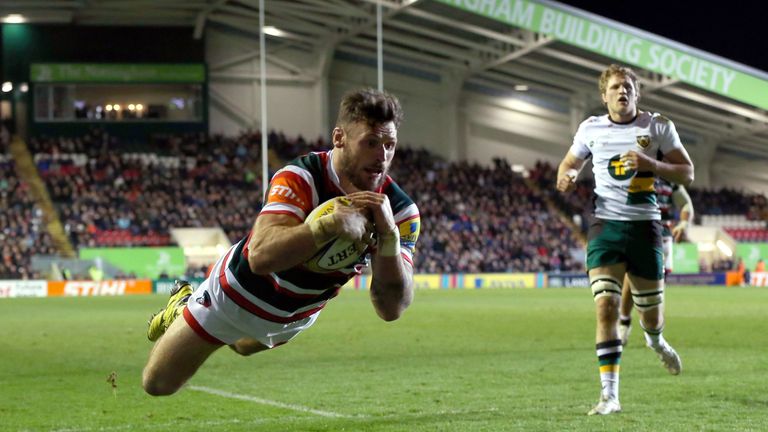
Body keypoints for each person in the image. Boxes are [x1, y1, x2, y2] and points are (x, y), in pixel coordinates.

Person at [142, 88, 421, 396]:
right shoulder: (301, 177)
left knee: (244, 347)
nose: (382, 156)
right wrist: (329, 225)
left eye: (390, 145)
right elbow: (260, 257)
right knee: (158, 384)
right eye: (370, 142)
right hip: (237, 295)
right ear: (339, 138)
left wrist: (389, 238)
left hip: (297, 314)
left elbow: (391, 309)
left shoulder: (400, 210)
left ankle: (221, 325)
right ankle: (184, 306)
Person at [556, 64, 694, 415]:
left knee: (650, 317)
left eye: (628, 87)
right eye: (616, 87)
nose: (622, 92)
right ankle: (609, 396)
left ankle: (656, 341)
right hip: (605, 227)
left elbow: (687, 172)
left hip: (646, 229)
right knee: (606, 307)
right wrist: (568, 175)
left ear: (637, 93)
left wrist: (652, 163)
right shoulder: (591, 128)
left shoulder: (658, 126)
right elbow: (568, 164)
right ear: (604, 95)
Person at [618, 175, 694, 345]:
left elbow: (685, 203)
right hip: (636, 231)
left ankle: (652, 331)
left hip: (662, 236)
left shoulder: (669, 176)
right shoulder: (631, 169)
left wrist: (684, 223)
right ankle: (624, 323)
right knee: (631, 280)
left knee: (657, 287)